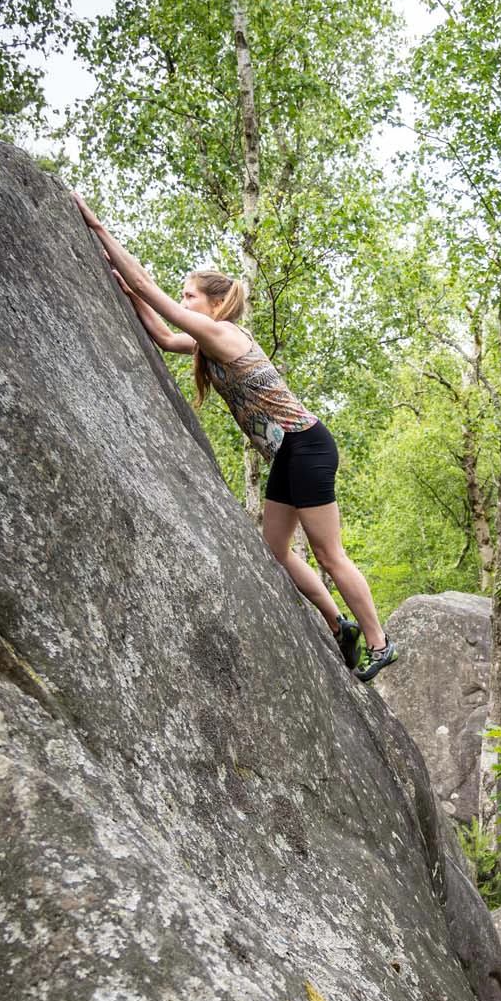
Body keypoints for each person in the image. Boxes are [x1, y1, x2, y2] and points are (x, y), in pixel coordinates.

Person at [71, 195, 396, 683]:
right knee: (276, 550)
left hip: (306, 445)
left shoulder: (225, 335)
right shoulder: (207, 343)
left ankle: (380, 643)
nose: (183, 303)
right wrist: (132, 296)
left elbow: (146, 285)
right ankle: (339, 624)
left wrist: (95, 225)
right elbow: (162, 334)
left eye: (189, 296)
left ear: (214, 302)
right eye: (182, 297)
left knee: (329, 553)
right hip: (287, 456)